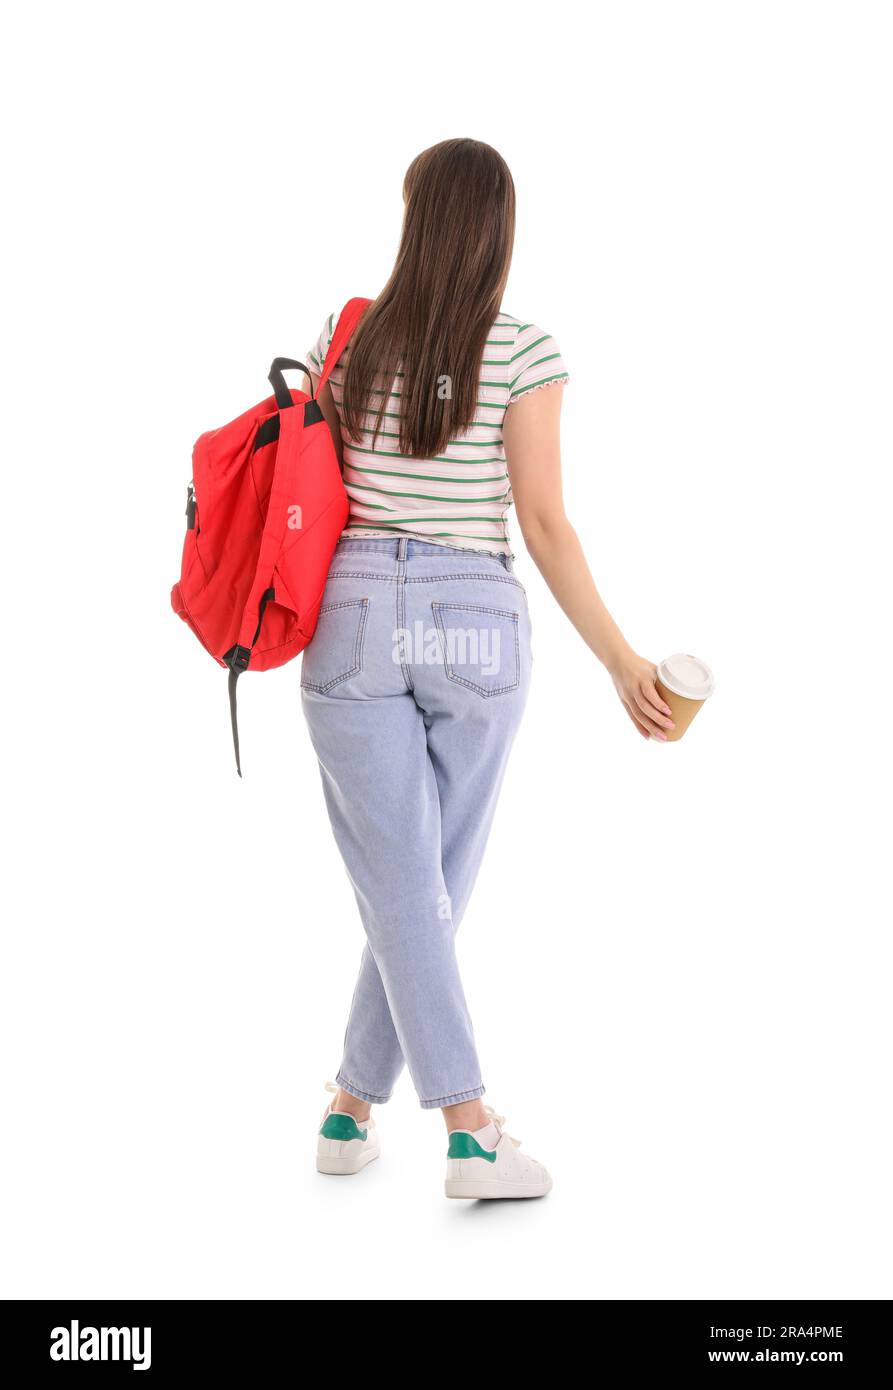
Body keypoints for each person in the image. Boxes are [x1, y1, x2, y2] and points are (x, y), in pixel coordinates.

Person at [302, 138, 674, 1200]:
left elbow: (321, 489)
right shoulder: (523, 349)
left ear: (415, 220)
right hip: (472, 618)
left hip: (353, 608)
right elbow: (546, 522)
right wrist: (618, 658)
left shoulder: (347, 333)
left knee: (400, 881)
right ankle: (468, 1130)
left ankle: (349, 1105)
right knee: (421, 881)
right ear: (499, 231)